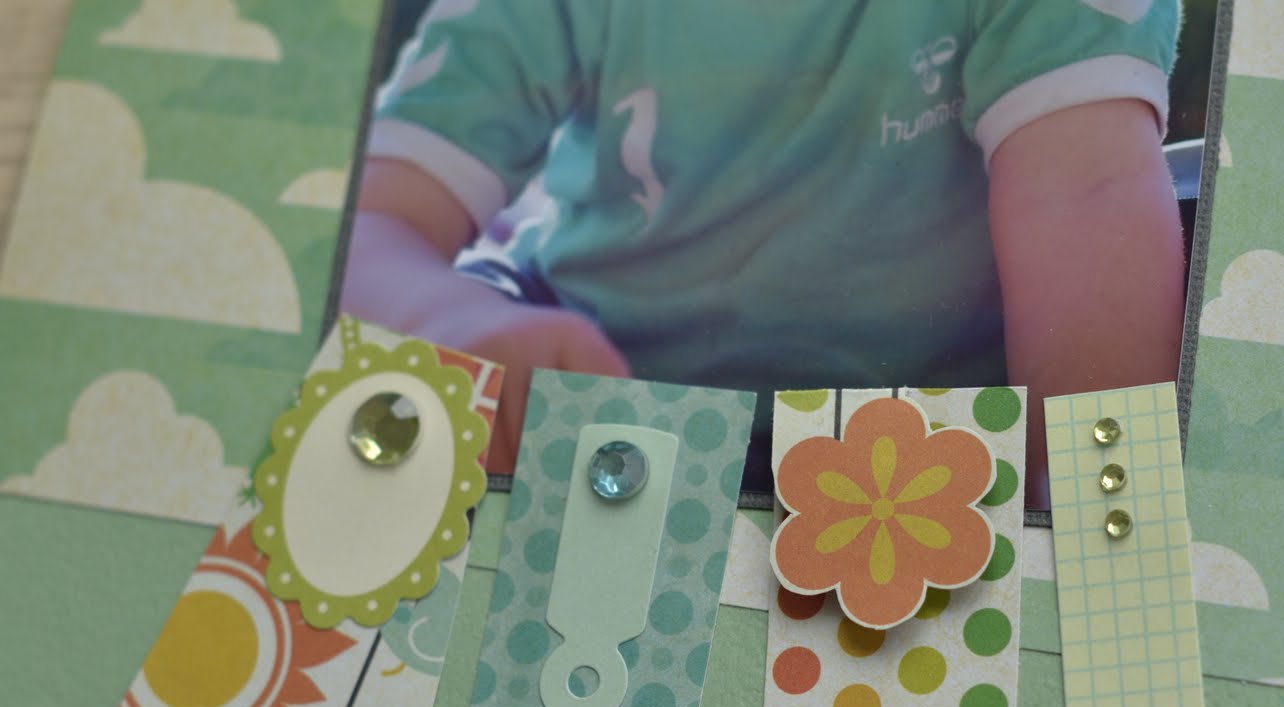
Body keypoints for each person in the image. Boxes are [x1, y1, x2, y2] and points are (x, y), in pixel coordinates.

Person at [340, 0, 1187, 502]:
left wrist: (1089, 523)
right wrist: (448, 321)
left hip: (919, 463)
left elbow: (1092, 198)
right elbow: (359, 230)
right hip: (581, 420)